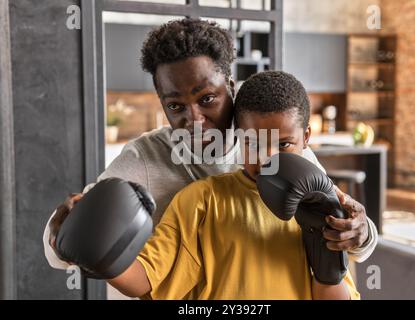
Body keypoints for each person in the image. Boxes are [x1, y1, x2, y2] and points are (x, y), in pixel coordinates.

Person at [43, 18, 377, 271]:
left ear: (230, 86)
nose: (195, 119)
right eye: (175, 106)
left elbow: (355, 235)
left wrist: (359, 233)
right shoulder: (145, 158)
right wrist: (60, 235)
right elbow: (64, 247)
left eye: (207, 99)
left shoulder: (275, 147)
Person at [106, 71, 360, 299]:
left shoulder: (320, 201)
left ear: (306, 137)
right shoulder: (202, 200)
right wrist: (101, 254)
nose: (268, 159)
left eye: (283, 144)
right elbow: (146, 278)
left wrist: (327, 265)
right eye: (254, 144)